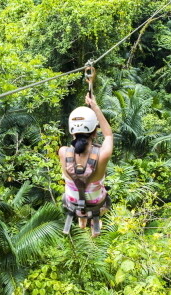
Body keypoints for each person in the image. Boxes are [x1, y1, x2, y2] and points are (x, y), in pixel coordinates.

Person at [59, 93, 113, 237]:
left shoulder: (63, 152)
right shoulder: (102, 155)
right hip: (97, 204)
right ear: (95, 132)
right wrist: (94, 106)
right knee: (97, 196)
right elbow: (108, 135)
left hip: (72, 203)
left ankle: (82, 219)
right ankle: (92, 220)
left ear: (72, 133)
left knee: (75, 191)